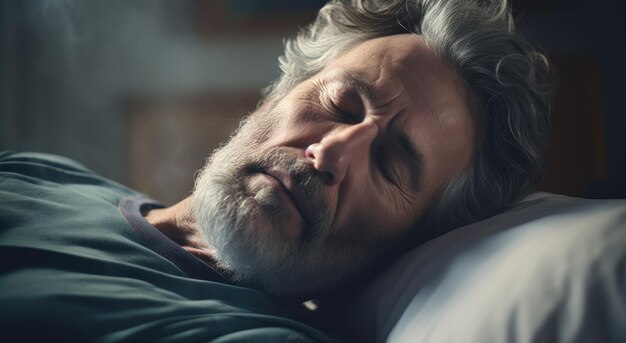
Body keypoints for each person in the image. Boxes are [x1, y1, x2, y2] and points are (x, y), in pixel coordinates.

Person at [0, 0, 555, 341]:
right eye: (341, 105)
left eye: (389, 163)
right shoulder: (41, 175)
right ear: (277, 95)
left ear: (408, 242)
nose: (331, 154)